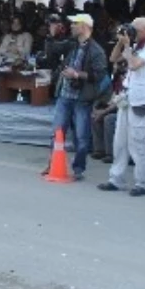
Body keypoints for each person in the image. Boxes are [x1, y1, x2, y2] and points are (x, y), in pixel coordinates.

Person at [99, 17, 145, 196]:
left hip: (142, 99)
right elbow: (113, 58)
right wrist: (121, 42)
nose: (131, 33)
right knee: (120, 141)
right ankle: (116, 179)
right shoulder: (136, 45)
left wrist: (127, 45)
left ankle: (142, 183)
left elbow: (134, 65)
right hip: (127, 96)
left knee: (137, 142)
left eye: (134, 30)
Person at [41, 14, 108, 181]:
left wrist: (77, 74)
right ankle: (53, 164)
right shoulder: (72, 44)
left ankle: (78, 168)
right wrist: (51, 35)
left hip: (82, 98)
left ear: (84, 26)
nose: (71, 26)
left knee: (82, 136)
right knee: (57, 131)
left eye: (74, 24)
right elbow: (52, 51)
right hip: (65, 95)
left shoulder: (96, 50)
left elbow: (99, 75)